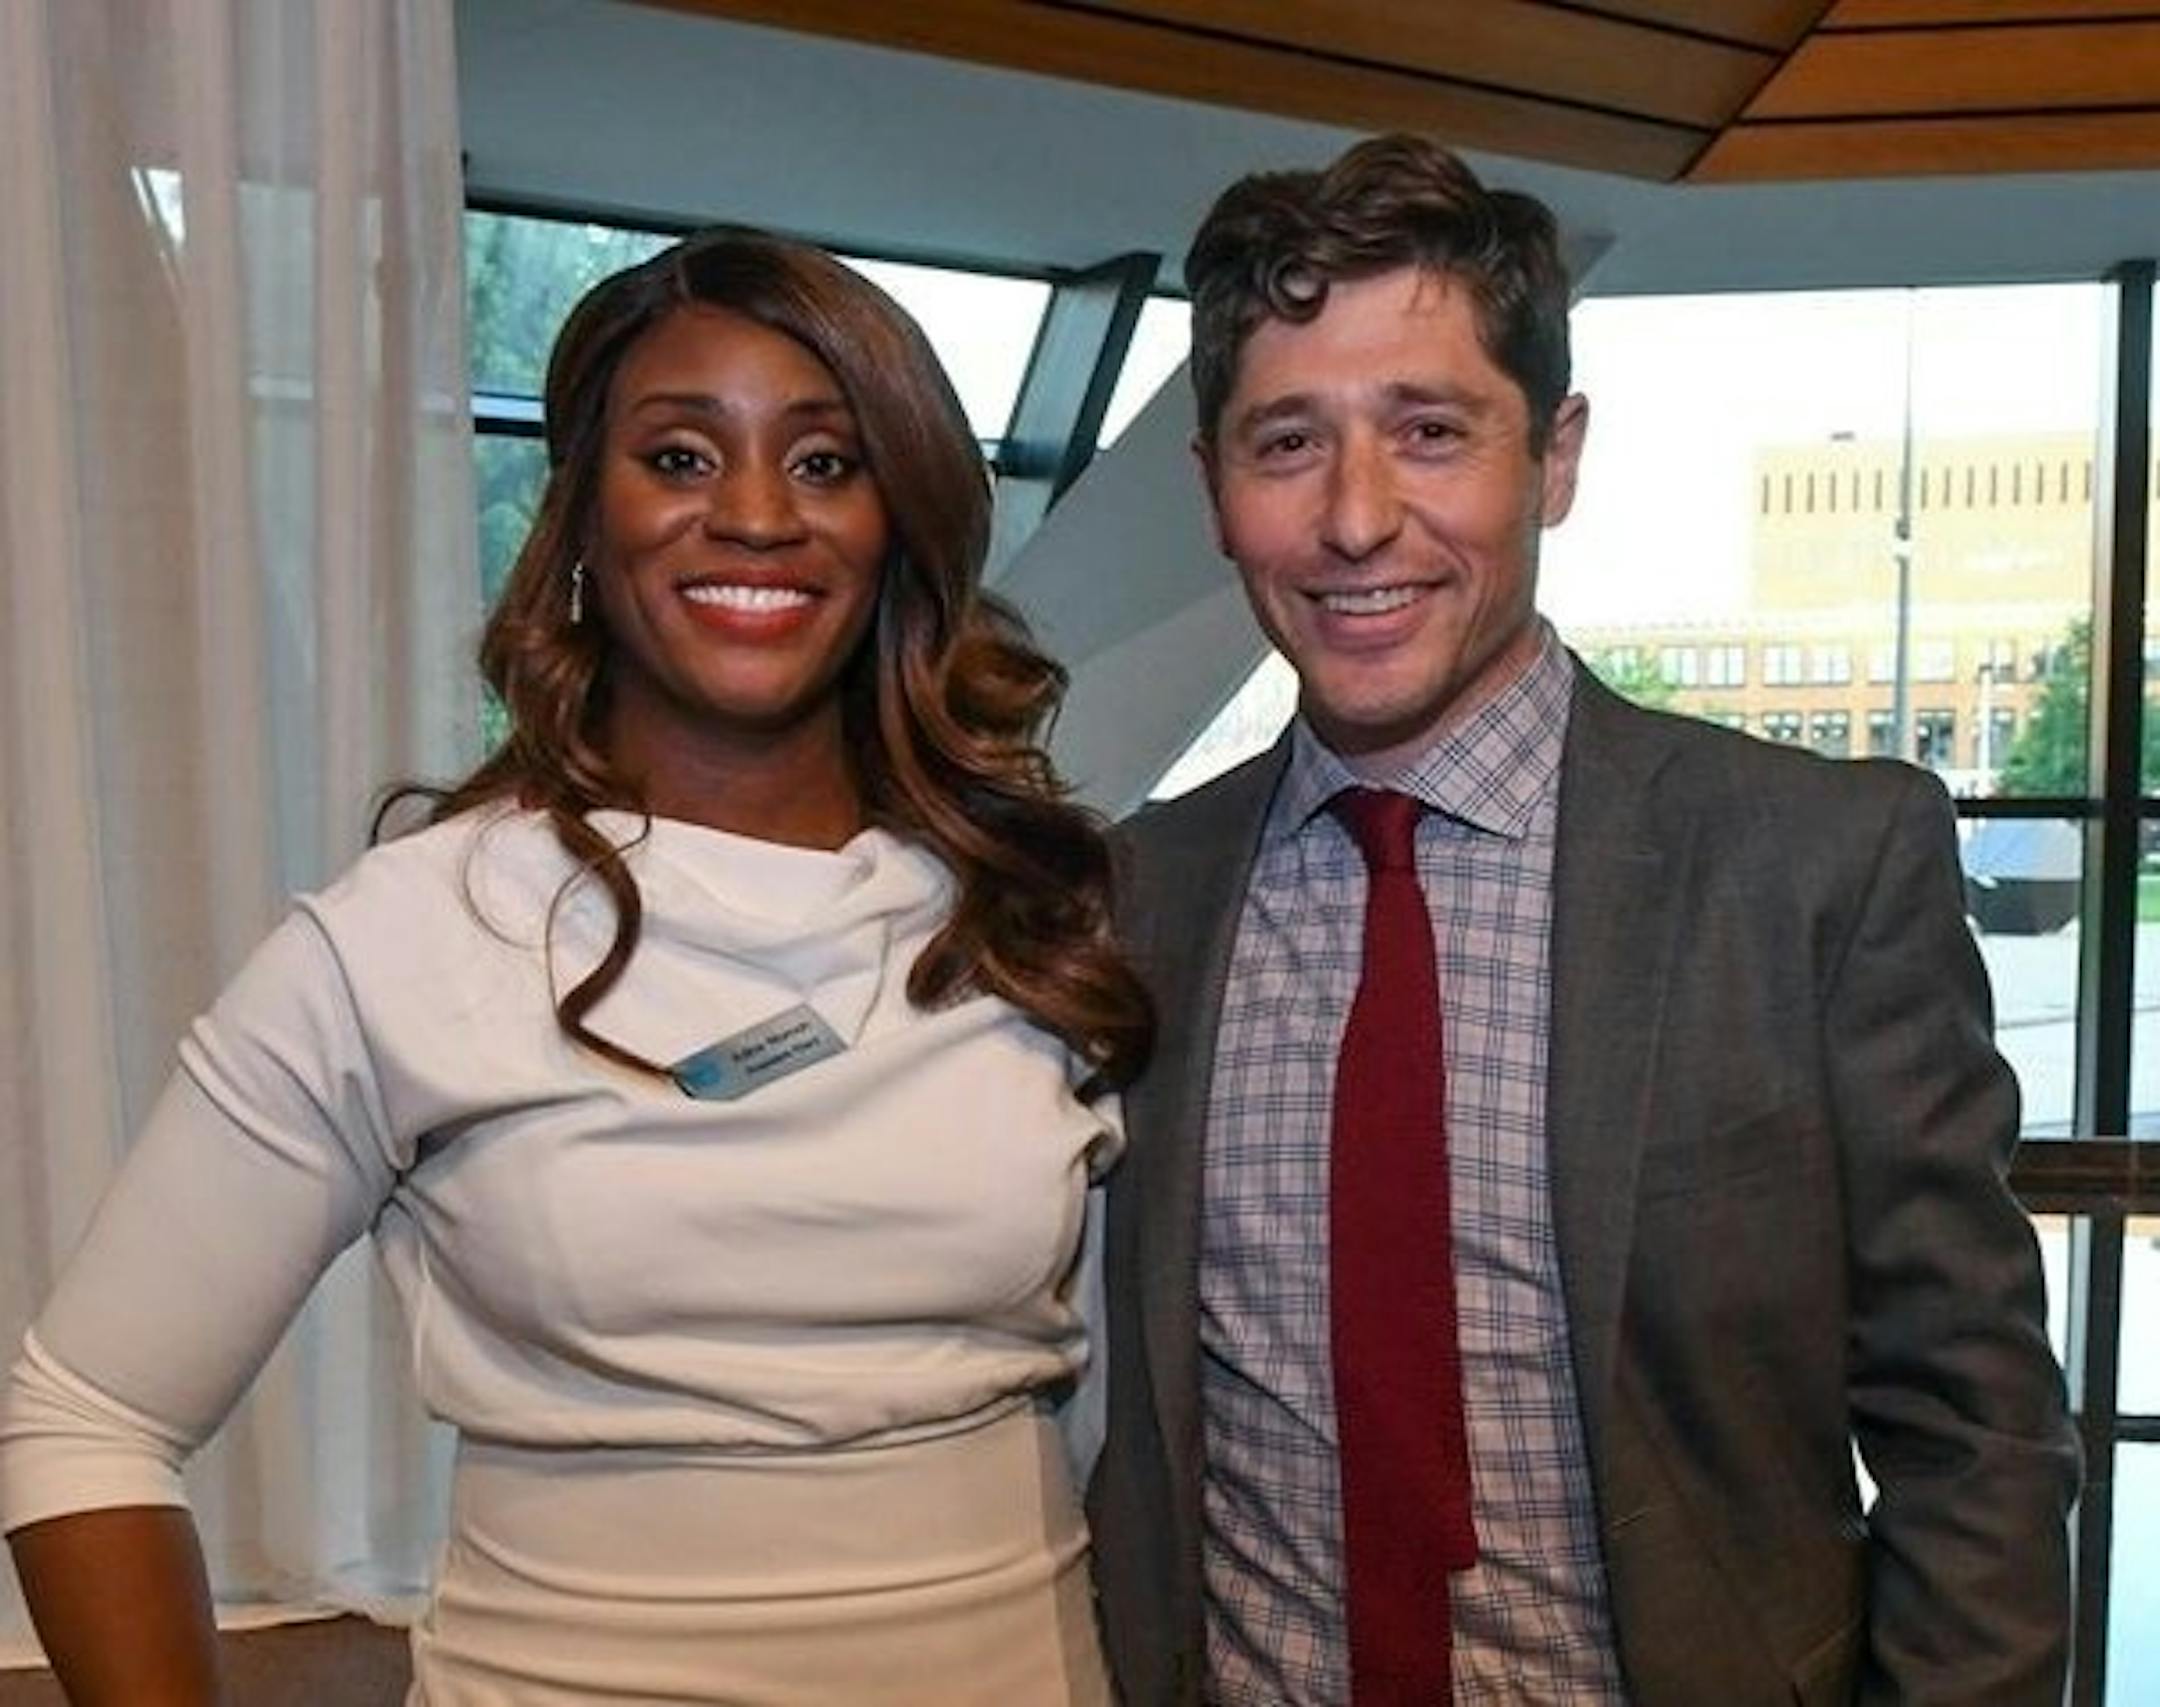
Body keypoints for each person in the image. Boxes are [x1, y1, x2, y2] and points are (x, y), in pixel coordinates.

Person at [0, 227, 1150, 1705]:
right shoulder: (410, 939)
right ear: (583, 524)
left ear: (899, 527)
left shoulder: (1044, 920)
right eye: (679, 458)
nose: (752, 515)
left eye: (824, 463)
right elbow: (85, 1414)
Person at [1087, 134, 2080, 1706]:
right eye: (1287, 444)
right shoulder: (1136, 901)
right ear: (1212, 487)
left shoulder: (1812, 866)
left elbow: (1975, 1430)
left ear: (1551, 457)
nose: (1357, 520)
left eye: (1430, 432)